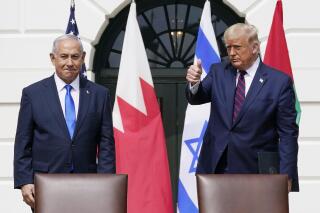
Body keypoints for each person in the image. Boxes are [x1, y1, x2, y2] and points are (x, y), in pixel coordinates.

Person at [186, 23, 299, 191]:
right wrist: (194, 83)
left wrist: (287, 175)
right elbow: (197, 97)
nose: (231, 53)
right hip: (217, 169)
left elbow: (288, 134)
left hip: (257, 172)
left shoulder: (279, 82)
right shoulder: (219, 72)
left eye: (237, 47)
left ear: (255, 48)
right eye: (228, 47)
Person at [14, 34, 115, 209]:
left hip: (88, 185)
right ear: (53, 58)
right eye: (64, 56)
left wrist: (105, 181)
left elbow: (106, 143)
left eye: (75, 57)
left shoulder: (99, 94)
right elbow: (23, 142)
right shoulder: (33, 94)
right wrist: (25, 181)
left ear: (83, 58)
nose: (70, 62)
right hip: (45, 184)